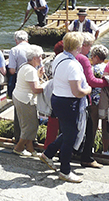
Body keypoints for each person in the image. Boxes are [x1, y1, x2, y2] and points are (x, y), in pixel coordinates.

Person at [40, 32, 91, 183]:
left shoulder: (59, 57)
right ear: (78, 47)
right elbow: (77, 92)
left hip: (58, 99)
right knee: (70, 137)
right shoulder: (73, 65)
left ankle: (48, 154)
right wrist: (88, 89)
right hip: (69, 102)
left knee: (70, 132)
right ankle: (65, 171)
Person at [76, 33, 107, 168]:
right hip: (100, 102)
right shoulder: (103, 68)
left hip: (90, 101)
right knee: (99, 127)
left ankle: (86, 150)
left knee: (90, 127)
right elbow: (93, 81)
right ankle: (98, 152)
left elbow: (91, 81)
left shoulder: (91, 66)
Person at [12, 45, 44, 156]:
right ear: (35, 58)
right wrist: (48, 87)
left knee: (29, 123)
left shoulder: (25, 66)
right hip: (25, 100)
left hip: (20, 97)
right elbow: (35, 89)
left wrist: (38, 76)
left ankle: (30, 148)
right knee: (30, 126)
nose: (42, 59)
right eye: (40, 57)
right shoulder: (30, 70)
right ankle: (19, 147)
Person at [7, 30, 30, 142]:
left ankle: (18, 137)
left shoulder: (14, 50)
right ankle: (31, 138)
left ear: (16, 40)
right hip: (32, 79)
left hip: (20, 80)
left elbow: (11, 70)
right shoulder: (34, 48)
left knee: (18, 109)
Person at [90, 45, 109, 155]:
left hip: (95, 100)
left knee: (93, 125)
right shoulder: (106, 67)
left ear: (96, 57)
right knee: (105, 125)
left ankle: (90, 147)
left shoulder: (93, 69)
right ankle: (105, 150)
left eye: (92, 57)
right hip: (106, 100)